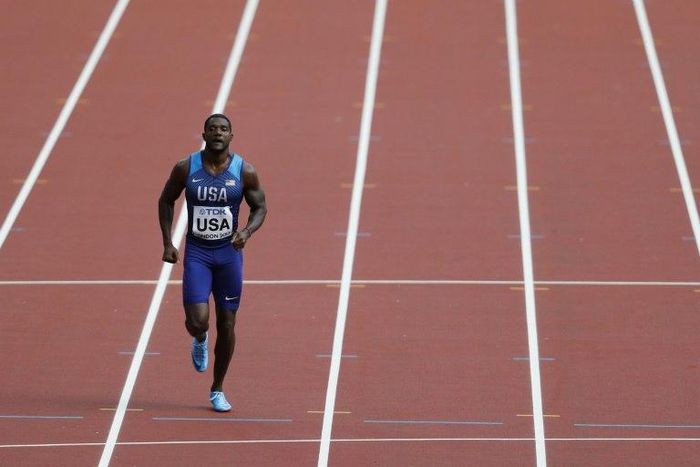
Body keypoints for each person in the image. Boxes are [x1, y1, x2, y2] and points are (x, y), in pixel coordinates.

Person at [158, 113, 267, 412]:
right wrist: (168, 242)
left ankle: (217, 388)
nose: (218, 133)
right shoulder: (186, 167)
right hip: (198, 254)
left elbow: (260, 207)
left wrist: (246, 231)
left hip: (228, 255)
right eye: (212, 129)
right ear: (204, 134)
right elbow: (166, 200)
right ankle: (200, 338)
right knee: (198, 321)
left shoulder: (245, 171)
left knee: (228, 323)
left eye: (224, 129)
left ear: (232, 135)